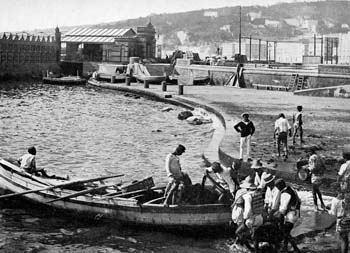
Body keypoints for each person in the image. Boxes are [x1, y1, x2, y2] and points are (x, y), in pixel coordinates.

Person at [234, 176, 264, 250]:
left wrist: (244, 219)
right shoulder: (258, 193)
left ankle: (250, 248)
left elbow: (248, 209)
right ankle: (256, 249)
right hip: (260, 218)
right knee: (255, 236)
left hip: (252, 219)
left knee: (238, 232)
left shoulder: (248, 196)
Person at [272, 178, 301, 252]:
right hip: (295, 213)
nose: (277, 189)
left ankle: (294, 248)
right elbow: (299, 200)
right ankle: (286, 248)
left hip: (290, 215)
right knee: (286, 232)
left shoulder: (285, 194)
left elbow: (283, 209)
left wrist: (281, 222)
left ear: (279, 186)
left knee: (285, 232)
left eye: (277, 187)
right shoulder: (291, 188)